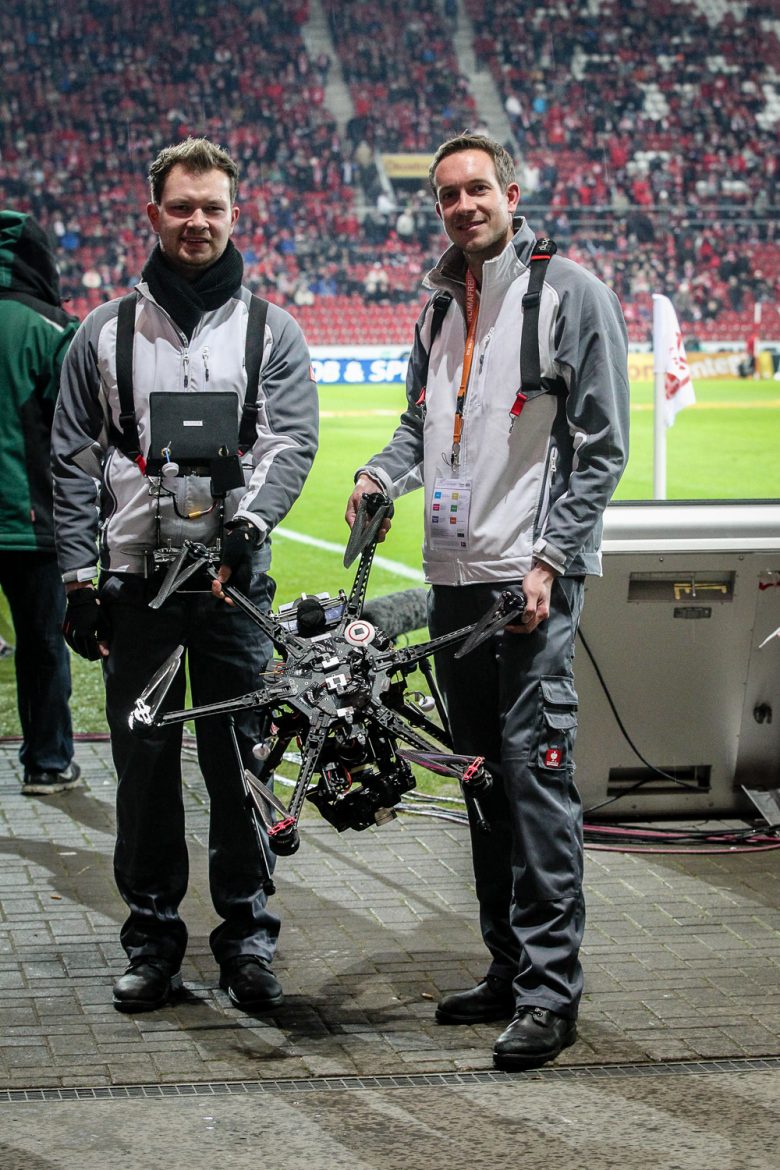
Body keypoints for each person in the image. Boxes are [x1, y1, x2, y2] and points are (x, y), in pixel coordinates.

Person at [345, 133, 629, 1070]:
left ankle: (553, 992)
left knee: (535, 778)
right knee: (480, 783)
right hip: (455, 585)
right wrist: (380, 475)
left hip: (529, 583)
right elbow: (417, 428)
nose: (463, 205)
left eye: (478, 189)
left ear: (511, 191)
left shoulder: (568, 293)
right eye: (447, 195)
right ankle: (507, 969)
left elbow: (601, 446)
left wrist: (552, 560)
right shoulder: (436, 309)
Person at [51, 138, 319, 1015]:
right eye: (182, 207)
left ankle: (246, 939)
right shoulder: (103, 331)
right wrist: (76, 579)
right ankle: (154, 941)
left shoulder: (269, 329)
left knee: (242, 762)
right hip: (136, 585)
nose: (197, 222)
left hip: (232, 588)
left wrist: (247, 525)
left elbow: (289, 440)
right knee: (145, 766)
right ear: (154, 214)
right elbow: (71, 460)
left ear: (234, 215)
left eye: (213, 207)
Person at [0, 210, 82, 795]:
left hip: (26, 517)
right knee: (41, 647)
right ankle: (47, 763)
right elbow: (75, 436)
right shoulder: (53, 329)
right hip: (31, 522)